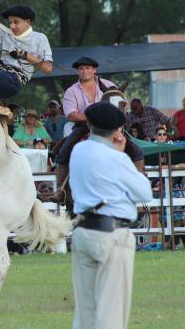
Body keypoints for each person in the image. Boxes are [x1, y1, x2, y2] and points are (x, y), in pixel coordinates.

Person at [68, 101, 152, 329]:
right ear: (117, 131)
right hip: (111, 234)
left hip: (83, 231)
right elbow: (144, 192)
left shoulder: (78, 150)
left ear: (90, 124)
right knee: (111, 310)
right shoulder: (118, 158)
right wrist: (120, 154)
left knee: (85, 309)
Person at [62, 56, 117, 138]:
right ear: (78, 72)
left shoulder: (109, 85)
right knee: (67, 129)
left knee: (133, 148)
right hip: (82, 127)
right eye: (81, 69)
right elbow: (71, 115)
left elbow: (124, 104)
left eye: (87, 68)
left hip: (108, 125)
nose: (84, 71)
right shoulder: (71, 91)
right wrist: (94, 118)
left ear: (94, 70)